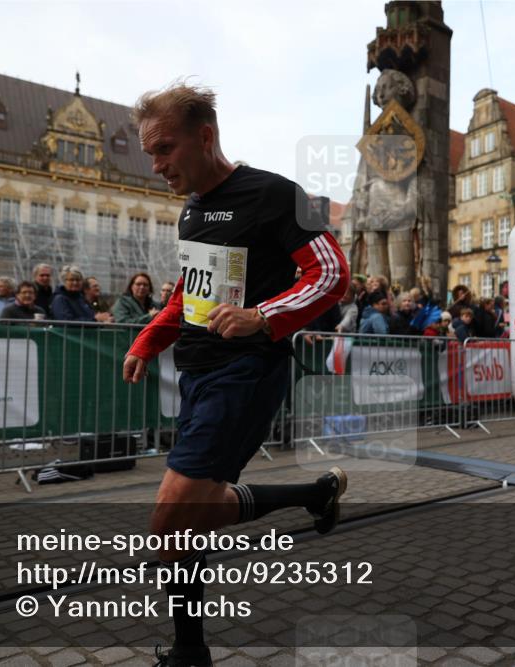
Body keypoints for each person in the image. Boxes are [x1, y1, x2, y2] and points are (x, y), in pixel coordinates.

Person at [121, 83, 349, 667]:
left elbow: (332, 273)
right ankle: (316, 493)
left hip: (246, 372)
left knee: (171, 519)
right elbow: (187, 296)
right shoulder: (191, 213)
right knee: (203, 510)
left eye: (165, 149)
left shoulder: (275, 192)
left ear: (205, 136)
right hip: (197, 377)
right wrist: (149, 340)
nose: (157, 166)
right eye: (150, 154)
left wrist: (260, 316)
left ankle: (189, 654)